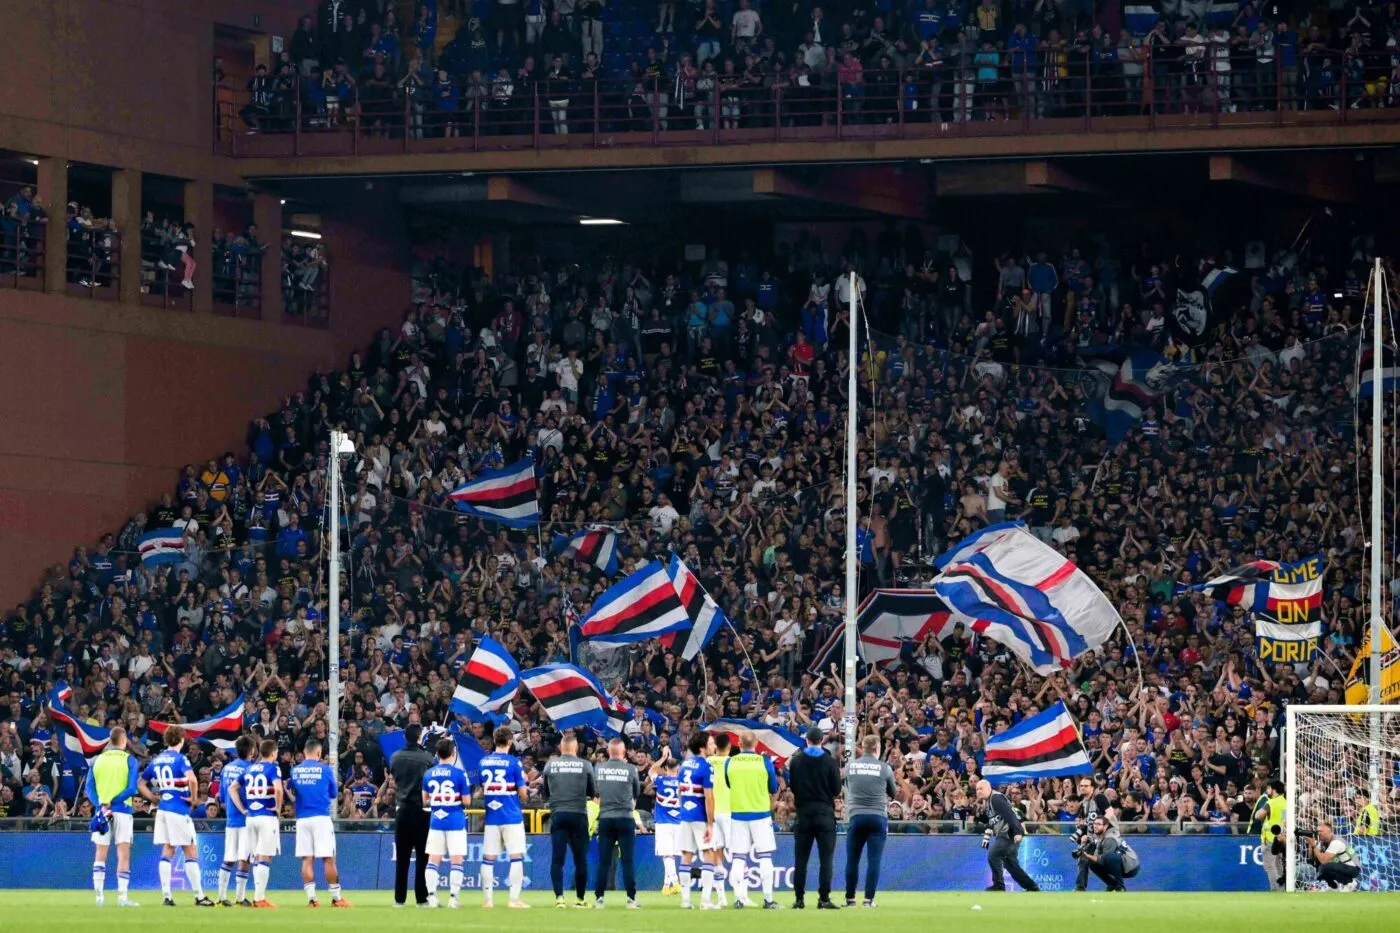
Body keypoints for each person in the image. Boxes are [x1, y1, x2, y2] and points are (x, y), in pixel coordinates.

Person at [138, 726, 213, 907]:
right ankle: (199, 896)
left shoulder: (157, 760)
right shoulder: (181, 759)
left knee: (168, 850)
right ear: (181, 740)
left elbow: (140, 783)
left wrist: (153, 797)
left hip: (163, 809)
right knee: (190, 851)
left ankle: (166, 896)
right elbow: (193, 780)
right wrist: (194, 800)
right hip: (178, 810)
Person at [722, 730, 781, 909]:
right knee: (765, 857)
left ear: (738, 744)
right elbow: (773, 787)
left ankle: (739, 899)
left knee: (739, 858)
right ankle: (768, 899)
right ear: (756, 744)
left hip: (738, 814)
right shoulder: (764, 762)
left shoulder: (730, 762)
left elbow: (728, 783)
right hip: (761, 814)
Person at [289, 739, 349, 907]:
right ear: (318, 753)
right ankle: (337, 898)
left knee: (307, 859)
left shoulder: (295, 771)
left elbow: (292, 790)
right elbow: (333, 794)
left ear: (304, 751)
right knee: (328, 859)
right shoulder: (325, 770)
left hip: (302, 819)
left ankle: (312, 899)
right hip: (321, 818)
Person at [786, 726, 841, 909]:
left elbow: (793, 787)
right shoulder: (830, 762)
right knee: (826, 859)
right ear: (821, 740)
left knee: (800, 859)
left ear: (807, 740)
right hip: (825, 814)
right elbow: (836, 790)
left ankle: (799, 899)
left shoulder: (796, 761)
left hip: (803, 814)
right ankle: (824, 899)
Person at [87, 725, 140, 908]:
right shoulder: (130, 760)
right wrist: (114, 801)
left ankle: (99, 897)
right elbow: (132, 788)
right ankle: (122, 897)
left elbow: (89, 789)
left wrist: (102, 803)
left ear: (110, 740)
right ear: (123, 741)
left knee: (100, 853)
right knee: (123, 853)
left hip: (102, 811)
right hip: (123, 811)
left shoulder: (97, 760)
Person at [542, 732, 595, 908]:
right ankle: (580, 899)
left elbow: (546, 792)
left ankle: (559, 899)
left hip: (558, 814)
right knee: (581, 860)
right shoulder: (586, 765)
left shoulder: (550, 765)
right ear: (576, 747)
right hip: (579, 814)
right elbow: (591, 791)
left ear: (560, 747)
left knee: (557, 859)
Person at [479, 726, 530, 908]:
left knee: (488, 858)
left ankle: (488, 901)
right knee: (516, 857)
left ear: (494, 740)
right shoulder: (514, 763)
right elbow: (523, 793)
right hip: (511, 815)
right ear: (510, 742)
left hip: (492, 817)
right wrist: (527, 794)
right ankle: (514, 900)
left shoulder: (483, 762)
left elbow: (481, 788)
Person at [844, 734, 895, 907]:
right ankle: (868, 900)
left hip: (856, 815)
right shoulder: (885, 768)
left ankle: (850, 899)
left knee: (852, 859)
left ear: (863, 747)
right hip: (877, 816)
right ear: (876, 749)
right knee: (874, 860)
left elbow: (849, 786)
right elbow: (893, 793)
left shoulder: (850, 766)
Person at [421, 738, 471, 909]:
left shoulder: (428, 774)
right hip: (455, 820)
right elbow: (467, 800)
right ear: (453, 753)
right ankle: (453, 898)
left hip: (436, 820)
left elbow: (425, 800)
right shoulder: (459, 774)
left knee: (433, 860)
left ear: (437, 754)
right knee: (456, 860)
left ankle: (432, 897)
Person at [593, 736, 642, 909]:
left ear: (608, 752)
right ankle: (631, 899)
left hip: (605, 818)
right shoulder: (631, 769)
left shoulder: (598, 769)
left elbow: (595, 793)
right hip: (626, 818)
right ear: (623, 752)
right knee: (627, 860)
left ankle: (599, 898)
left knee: (604, 861)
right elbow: (637, 792)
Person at [389, 723, 434, 907]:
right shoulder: (427, 758)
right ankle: (421, 899)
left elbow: (394, 778)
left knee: (402, 857)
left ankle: (399, 900)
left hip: (402, 810)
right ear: (419, 736)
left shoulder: (395, 757)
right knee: (423, 858)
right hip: (422, 811)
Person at [241, 738, 286, 907]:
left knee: (257, 856)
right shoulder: (273, 768)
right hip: (266, 816)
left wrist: (243, 808)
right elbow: (278, 789)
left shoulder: (250, 768)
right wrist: (278, 808)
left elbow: (233, 788)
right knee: (264, 856)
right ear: (273, 753)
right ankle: (259, 898)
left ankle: (257, 896)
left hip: (250, 817)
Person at [975, 779, 1040, 892]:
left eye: (981, 788)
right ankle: (1032, 887)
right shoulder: (988, 802)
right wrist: (985, 832)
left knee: (993, 855)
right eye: (977, 789)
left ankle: (999, 886)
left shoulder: (995, 798)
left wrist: (1017, 832)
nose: (978, 791)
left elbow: (1010, 814)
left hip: (1008, 833)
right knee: (1010, 865)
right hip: (1007, 833)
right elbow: (993, 821)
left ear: (989, 788)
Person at [676, 731, 717, 909]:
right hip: (700, 816)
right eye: (711, 743)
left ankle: (685, 901)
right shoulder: (706, 767)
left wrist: (684, 808)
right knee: (709, 854)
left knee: (686, 855)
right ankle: (705, 901)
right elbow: (709, 798)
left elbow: (679, 792)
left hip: (685, 815)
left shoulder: (684, 765)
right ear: (702, 747)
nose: (713, 746)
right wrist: (710, 823)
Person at [216, 735, 256, 906]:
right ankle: (240, 897)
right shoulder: (251, 769)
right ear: (251, 751)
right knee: (244, 859)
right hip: (246, 819)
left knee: (228, 857)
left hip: (231, 819)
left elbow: (221, 796)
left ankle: (222, 896)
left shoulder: (227, 769)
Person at [648, 747, 683, 896]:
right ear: (678, 769)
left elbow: (651, 771)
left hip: (663, 822)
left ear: (666, 768)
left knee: (666, 854)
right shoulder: (683, 783)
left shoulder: (661, 780)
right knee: (671, 855)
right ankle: (667, 885)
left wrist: (662, 757)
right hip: (679, 822)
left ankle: (675, 882)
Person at [704, 731, 732, 906]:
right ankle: (741, 896)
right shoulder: (732, 762)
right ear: (729, 746)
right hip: (729, 812)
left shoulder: (707, 762)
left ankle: (721, 897)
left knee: (717, 856)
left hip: (712, 813)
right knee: (738, 854)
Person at [1078, 815, 1138, 891]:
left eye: (1098, 824)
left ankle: (1120, 886)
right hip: (1121, 864)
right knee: (1092, 862)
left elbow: (1103, 860)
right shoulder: (1100, 837)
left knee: (1110, 857)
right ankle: (1112, 884)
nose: (1095, 826)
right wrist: (1083, 844)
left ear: (1106, 826)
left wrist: (1088, 855)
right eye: (1094, 824)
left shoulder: (1110, 838)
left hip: (1131, 867)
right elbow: (1096, 858)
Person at [1303, 821, 1361, 891]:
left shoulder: (1336, 842)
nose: (1319, 833)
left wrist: (1314, 846)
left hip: (1353, 868)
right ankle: (1333, 887)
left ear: (1330, 832)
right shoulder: (1323, 842)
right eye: (1318, 831)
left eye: (1321, 831)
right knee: (1320, 868)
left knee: (1324, 867)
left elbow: (1323, 860)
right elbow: (1313, 857)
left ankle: (1349, 882)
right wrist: (1311, 844)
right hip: (1341, 866)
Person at [1252, 779, 1287, 891]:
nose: (1267, 790)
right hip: (1282, 838)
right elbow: (1285, 820)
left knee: (1269, 866)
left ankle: (1276, 889)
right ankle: (1283, 888)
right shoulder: (1285, 802)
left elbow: (1257, 815)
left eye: (1268, 788)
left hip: (1271, 838)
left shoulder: (1271, 803)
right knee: (1279, 865)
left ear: (1274, 790)